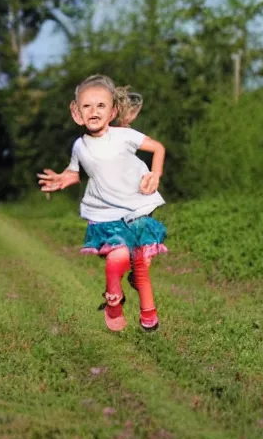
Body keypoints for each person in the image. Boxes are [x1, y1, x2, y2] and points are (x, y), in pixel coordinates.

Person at [38, 75, 167, 332]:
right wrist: (63, 179)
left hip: (138, 205)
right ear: (76, 113)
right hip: (107, 213)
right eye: (87, 106)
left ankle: (148, 312)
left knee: (141, 261)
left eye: (100, 106)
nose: (94, 111)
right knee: (117, 257)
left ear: (112, 111)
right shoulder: (80, 146)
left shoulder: (124, 136)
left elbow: (158, 149)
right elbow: (75, 173)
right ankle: (113, 303)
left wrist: (155, 174)